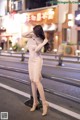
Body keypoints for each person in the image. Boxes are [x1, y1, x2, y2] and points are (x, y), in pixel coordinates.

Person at [22, 25, 49, 116]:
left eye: (34, 31)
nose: (33, 32)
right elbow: (23, 34)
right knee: (32, 81)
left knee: (36, 81)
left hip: (37, 60)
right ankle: (35, 102)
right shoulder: (32, 36)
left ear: (38, 32)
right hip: (31, 60)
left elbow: (37, 50)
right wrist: (31, 30)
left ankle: (44, 103)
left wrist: (44, 43)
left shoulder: (41, 39)